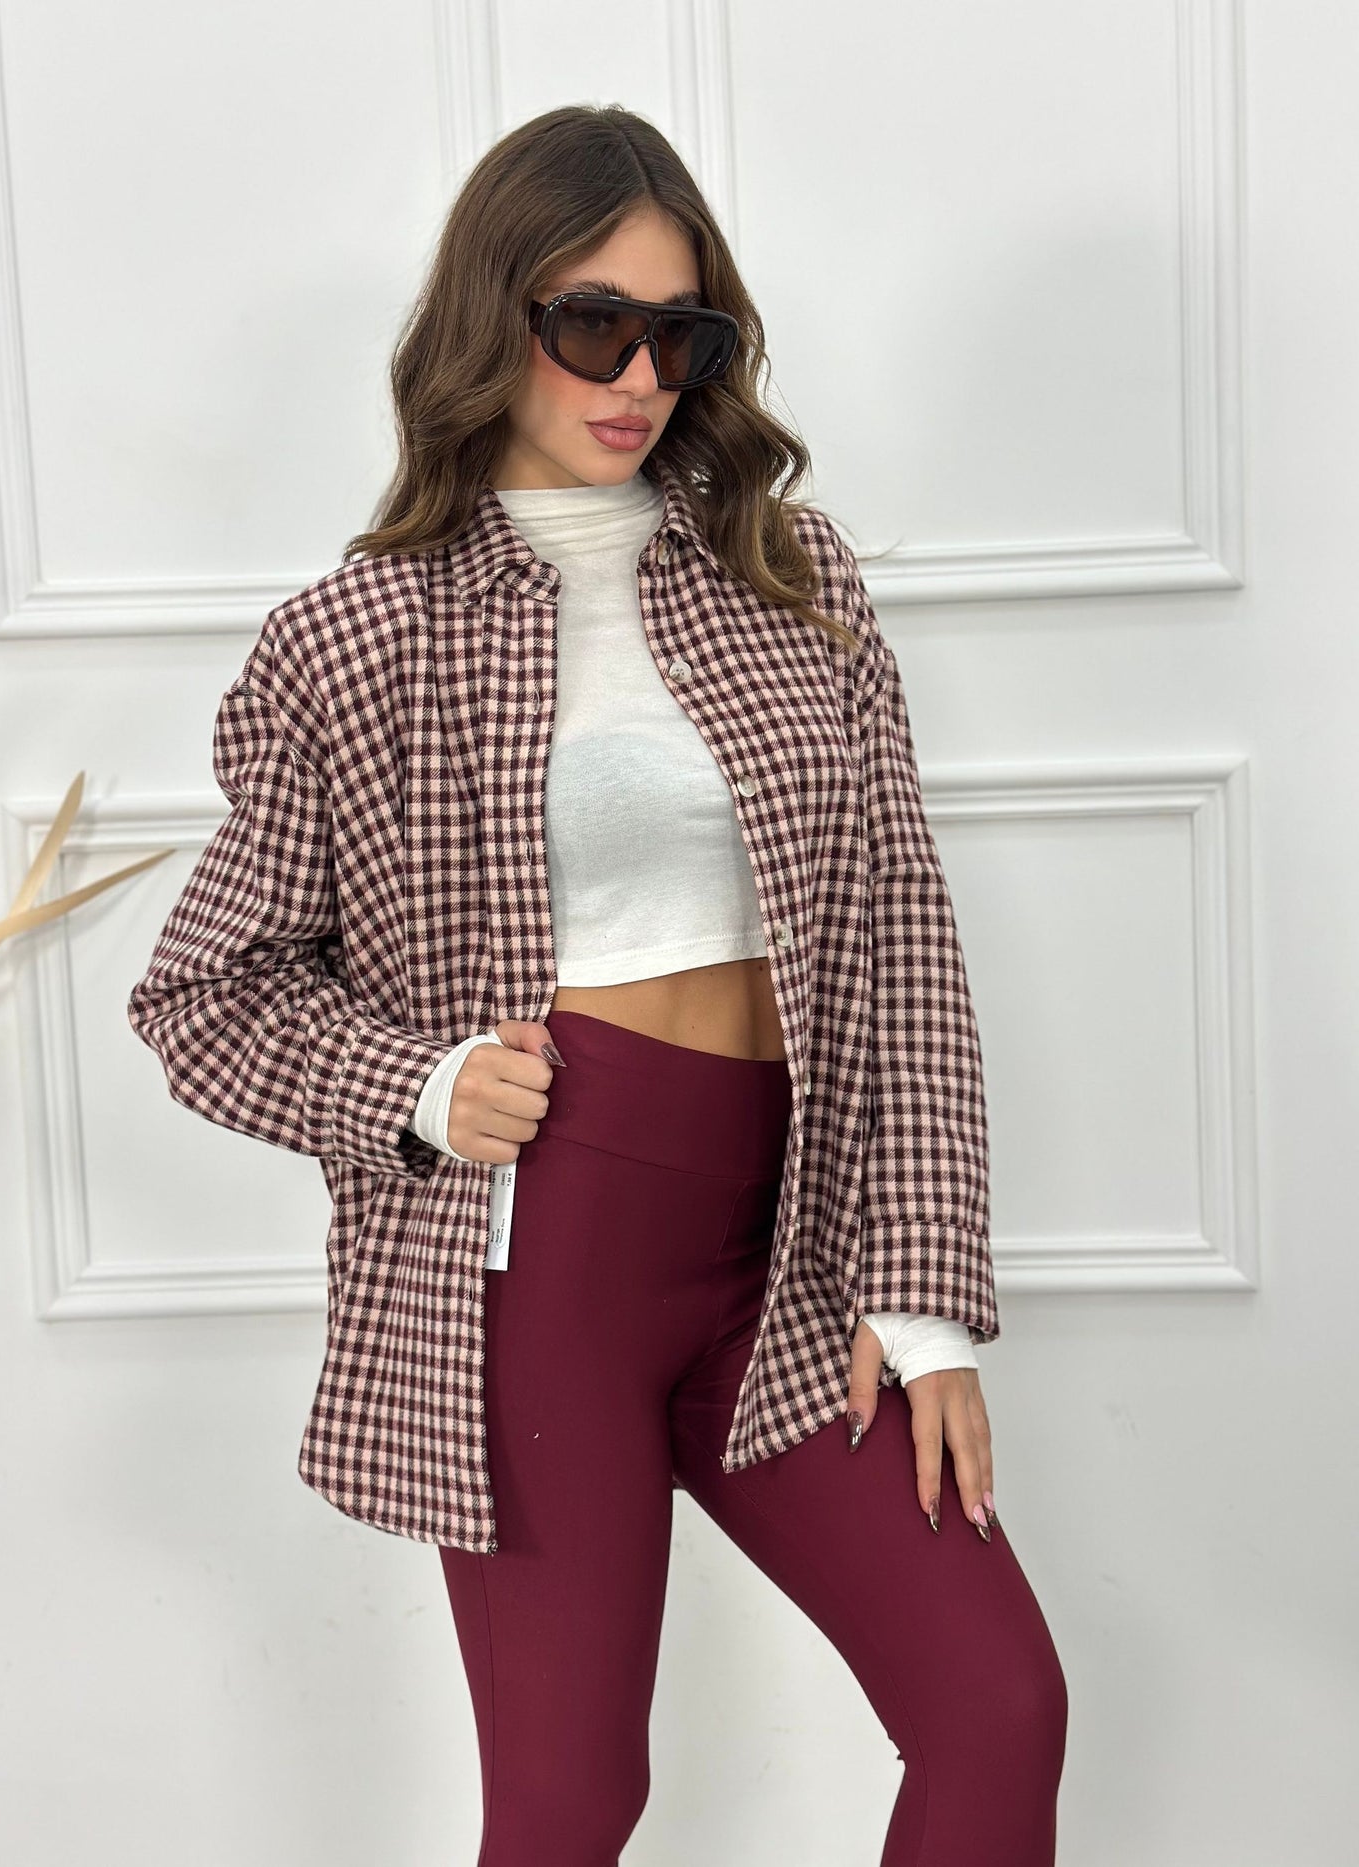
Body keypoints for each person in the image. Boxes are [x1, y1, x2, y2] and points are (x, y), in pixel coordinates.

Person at [128, 103, 1067, 1866]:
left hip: (788, 1253)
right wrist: (417, 1087)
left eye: (679, 335)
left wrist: (928, 1290)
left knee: (998, 1707)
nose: (639, 375)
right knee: (573, 1801)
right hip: (536, 1266)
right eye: (593, 323)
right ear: (492, 314)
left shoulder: (790, 576)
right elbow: (205, 997)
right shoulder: (356, 636)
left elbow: (899, 941)